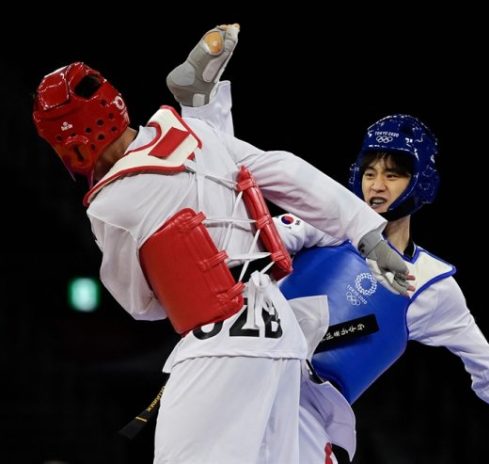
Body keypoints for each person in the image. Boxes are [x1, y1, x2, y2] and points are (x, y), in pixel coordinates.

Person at [32, 24, 411, 464]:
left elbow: (141, 305)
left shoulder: (110, 204)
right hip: (279, 329)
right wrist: (366, 230)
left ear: (70, 142)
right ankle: (198, 99)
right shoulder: (197, 136)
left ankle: (200, 97)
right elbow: (283, 169)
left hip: (222, 339)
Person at [275, 114, 489, 463]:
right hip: (251, 368)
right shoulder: (324, 222)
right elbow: (254, 239)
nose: (377, 185)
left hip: (309, 419)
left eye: (392, 175)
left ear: (420, 183)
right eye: (370, 173)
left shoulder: (431, 286)